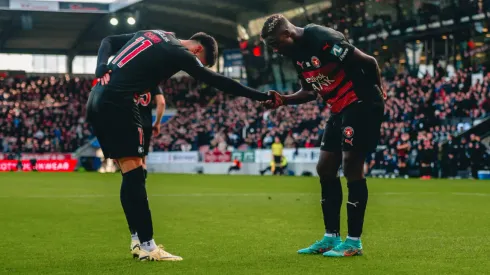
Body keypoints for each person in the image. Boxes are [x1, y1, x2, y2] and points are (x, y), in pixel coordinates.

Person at [87, 30, 270, 261]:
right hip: (119, 102)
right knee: (134, 173)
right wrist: (261, 96)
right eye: (199, 63)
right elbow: (218, 81)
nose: (194, 68)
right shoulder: (180, 52)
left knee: (131, 172)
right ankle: (148, 247)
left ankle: (137, 240)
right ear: (197, 50)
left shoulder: (156, 33)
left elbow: (108, 40)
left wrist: (101, 65)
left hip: (97, 97)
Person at [260, 14, 385, 257]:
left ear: (287, 34)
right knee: (325, 168)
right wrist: (284, 100)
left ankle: (353, 242)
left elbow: (369, 62)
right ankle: (330, 237)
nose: (275, 51)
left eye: (276, 45)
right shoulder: (295, 54)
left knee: (351, 166)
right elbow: (309, 92)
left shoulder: (322, 39)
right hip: (339, 107)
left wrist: (379, 93)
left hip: (361, 102)